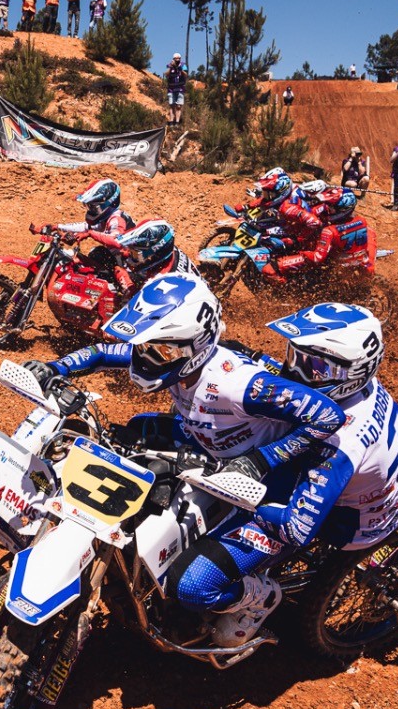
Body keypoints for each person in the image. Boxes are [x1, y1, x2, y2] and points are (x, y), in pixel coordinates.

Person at [29, 276, 347, 647]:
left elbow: (328, 416)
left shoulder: (239, 385)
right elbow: (102, 353)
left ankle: (259, 596)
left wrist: (261, 461)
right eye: (145, 346)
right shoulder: (170, 353)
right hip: (209, 446)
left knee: (192, 588)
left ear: (196, 348)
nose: (147, 357)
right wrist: (56, 368)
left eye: (162, 351)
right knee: (133, 431)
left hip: (268, 482)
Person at [264, 303, 398, 552]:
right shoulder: (360, 387)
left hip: (352, 526)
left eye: (315, 367)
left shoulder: (340, 438)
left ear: (352, 374)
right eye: (294, 357)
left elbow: (295, 528)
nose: (295, 371)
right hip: (383, 496)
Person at [250, 168, 339, 278]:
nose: (266, 197)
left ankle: (285, 285)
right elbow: (265, 201)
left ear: (279, 192)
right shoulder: (285, 198)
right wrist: (249, 205)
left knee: (270, 269)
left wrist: (297, 239)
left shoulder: (287, 208)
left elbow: (315, 223)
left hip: (309, 244)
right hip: (297, 232)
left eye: (269, 194)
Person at [164, 54, 187, 126]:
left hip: (180, 89)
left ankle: (177, 122)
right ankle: (171, 121)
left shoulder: (183, 65)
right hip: (171, 89)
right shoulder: (170, 66)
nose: (177, 60)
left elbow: (185, 75)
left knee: (178, 106)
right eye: (176, 59)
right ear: (173, 59)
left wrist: (179, 68)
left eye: (179, 58)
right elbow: (166, 75)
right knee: (172, 105)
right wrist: (171, 67)